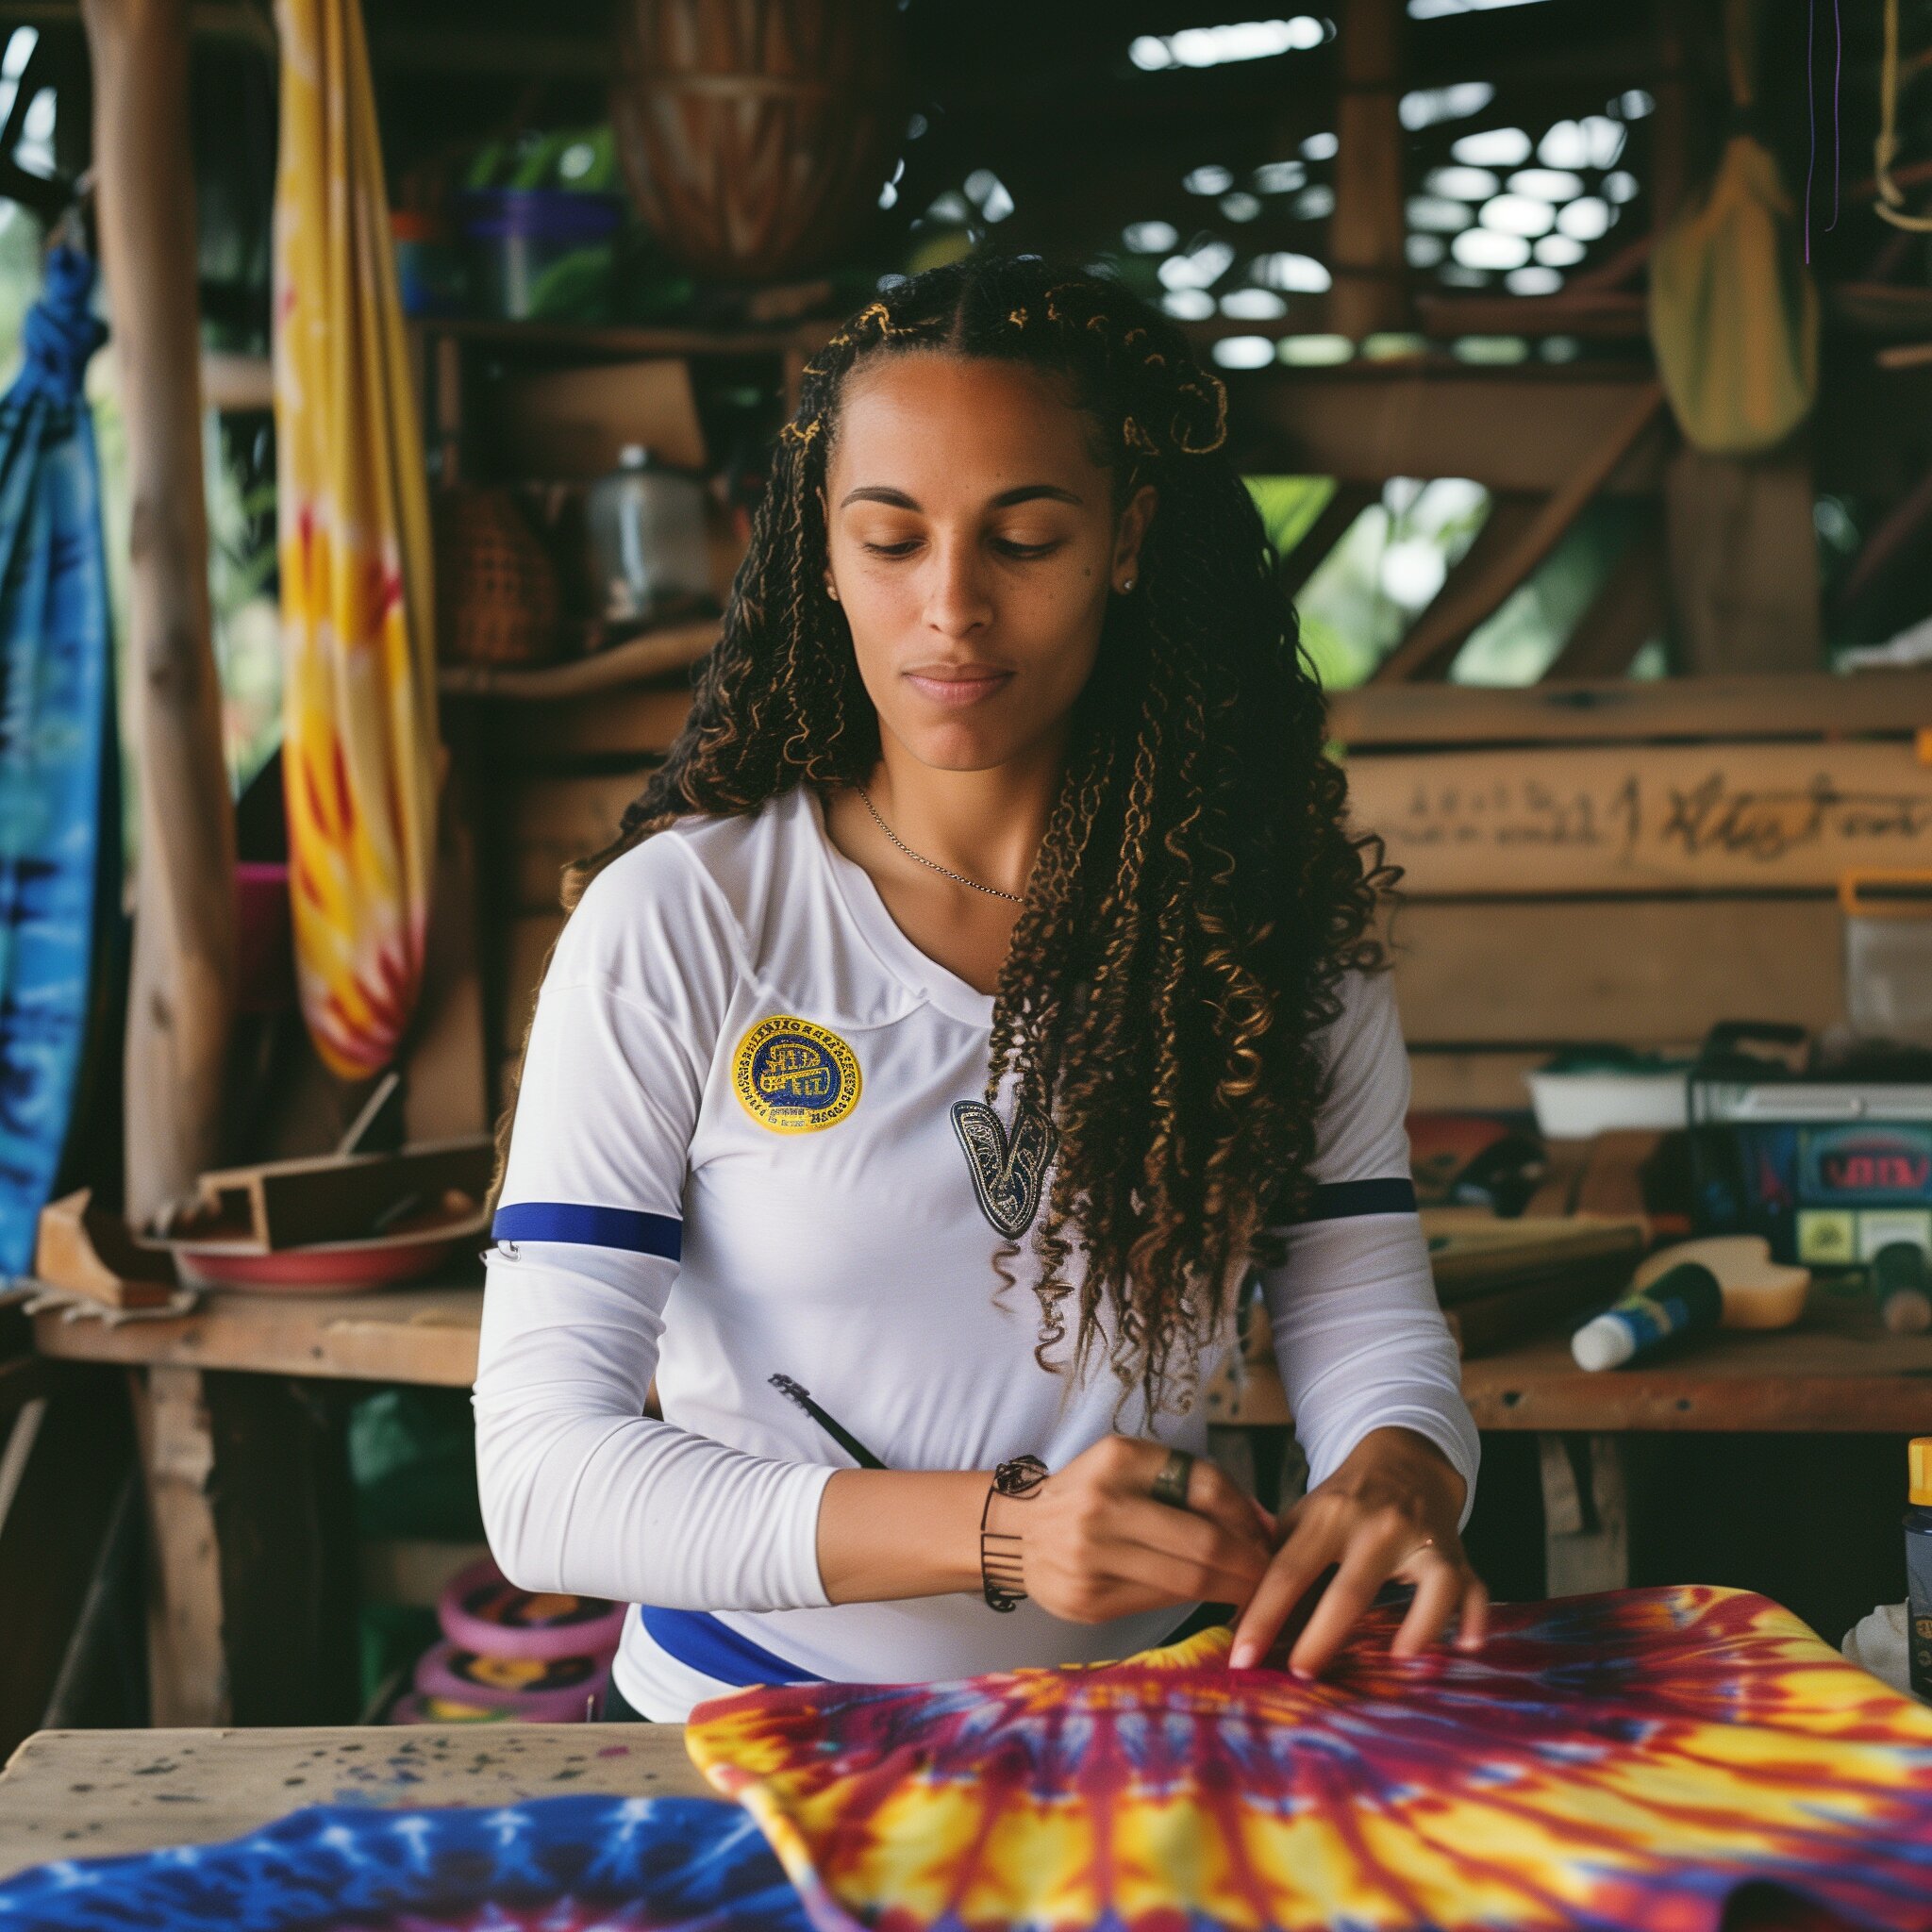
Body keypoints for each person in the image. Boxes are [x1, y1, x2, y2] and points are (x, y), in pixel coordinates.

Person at [473, 254, 1488, 1724]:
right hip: (747, 1747)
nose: (951, 608)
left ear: (1127, 539)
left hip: (1157, 1737)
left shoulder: (1255, 939)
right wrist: (1001, 1531)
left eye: (1023, 538)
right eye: (891, 540)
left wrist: (1401, 1461)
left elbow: (1366, 1312)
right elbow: (544, 1480)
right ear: (818, 553)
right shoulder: (685, 922)